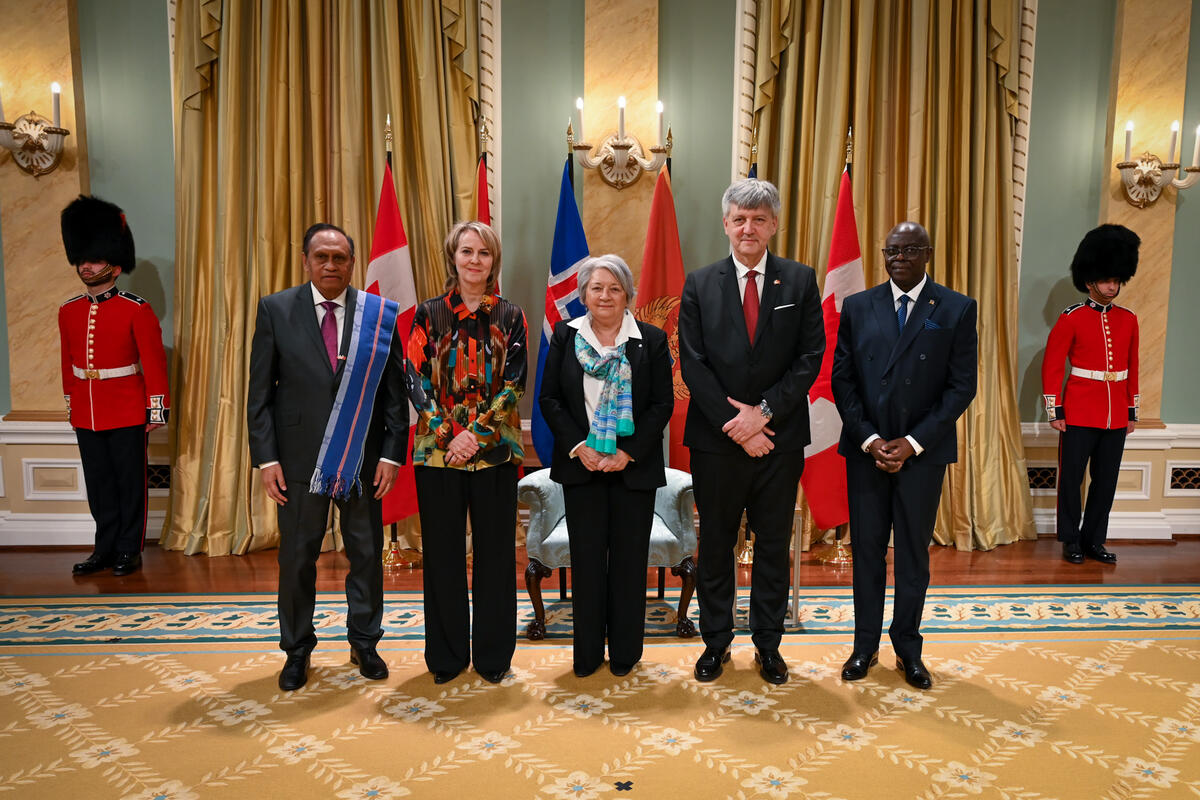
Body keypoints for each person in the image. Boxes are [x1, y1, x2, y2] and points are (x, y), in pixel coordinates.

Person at [247, 223, 408, 691]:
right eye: (322, 257)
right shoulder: (276, 310)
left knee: (365, 555)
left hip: (363, 457)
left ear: (352, 263)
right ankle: (297, 650)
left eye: (340, 258)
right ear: (306, 260)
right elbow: (259, 394)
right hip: (296, 463)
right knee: (297, 559)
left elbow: (394, 395)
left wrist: (392, 455)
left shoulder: (378, 314)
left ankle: (364, 641)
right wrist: (266, 459)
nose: (331, 265)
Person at [678, 179, 824, 685]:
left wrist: (761, 414)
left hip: (779, 441)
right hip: (717, 443)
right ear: (725, 225)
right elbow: (693, 366)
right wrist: (739, 426)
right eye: (739, 218)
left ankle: (769, 645)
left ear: (774, 225)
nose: (748, 227)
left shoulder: (801, 282)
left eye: (759, 219)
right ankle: (715, 643)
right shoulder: (699, 283)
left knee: (772, 546)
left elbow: (810, 359)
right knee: (715, 545)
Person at [831, 221, 977, 691]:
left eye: (909, 249)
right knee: (867, 554)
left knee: (914, 556)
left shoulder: (955, 307)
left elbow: (961, 386)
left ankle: (908, 650)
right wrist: (870, 439)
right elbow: (843, 380)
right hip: (866, 451)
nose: (898, 257)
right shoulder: (858, 305)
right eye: (891, 249)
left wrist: (913, 442)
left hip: (921, 454)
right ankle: (864, 646)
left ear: (927, 254)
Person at [539, 254, 674, 677]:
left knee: (630, 562)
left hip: (633, 469)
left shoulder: (650, 339)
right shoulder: (565, 336)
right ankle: (587, 654)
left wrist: (627, 452)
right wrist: (580, 447)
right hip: (582, 466)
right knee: (588, 560)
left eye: (615, 288)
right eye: (596, 288)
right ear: (582, 295)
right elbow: (550, 400)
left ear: (628, 295)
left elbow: (661, 404)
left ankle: (625, 654)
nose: (605, 296)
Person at [406, 221, 527, 685]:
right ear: (452, 258)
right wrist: (447, 434)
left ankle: (494, 658)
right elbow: (414, 380)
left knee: (497, 557)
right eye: (466, 252)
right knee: (443, 556)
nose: (475, 260)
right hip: (438, 456)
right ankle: (447, 657)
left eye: (484, 253)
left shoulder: (511, 316)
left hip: (495, 452)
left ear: (493, 262)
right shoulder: (427, 315)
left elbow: (515, 383)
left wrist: (474, 433)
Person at [59, 195, 170, 578]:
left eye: (93, 258)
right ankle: (103, 548)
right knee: (100, 486)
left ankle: (128, 548)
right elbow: (67, 363)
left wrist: (156, 408)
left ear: (115, 263)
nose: (85, 265)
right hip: (88, 410)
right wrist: (72, 404)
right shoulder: (68, 311)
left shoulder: (136, 309)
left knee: (128, 485)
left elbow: (154, 363)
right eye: (82, 259)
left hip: (126, 408)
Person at [1042, 224, 1139, 565]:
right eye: (1106, 280)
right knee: (1071, 480)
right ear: (1089, 281)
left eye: (1117, 280)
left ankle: (1094, 540)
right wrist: (1055, 411)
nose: (1112, 286)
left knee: (1105, 482)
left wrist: (1130, 412)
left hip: (1115, 417)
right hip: (1080, 412)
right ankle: (1071, 539)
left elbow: (1132, 368)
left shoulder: (1129, 320)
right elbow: (1053, 367)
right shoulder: (1071, 318)